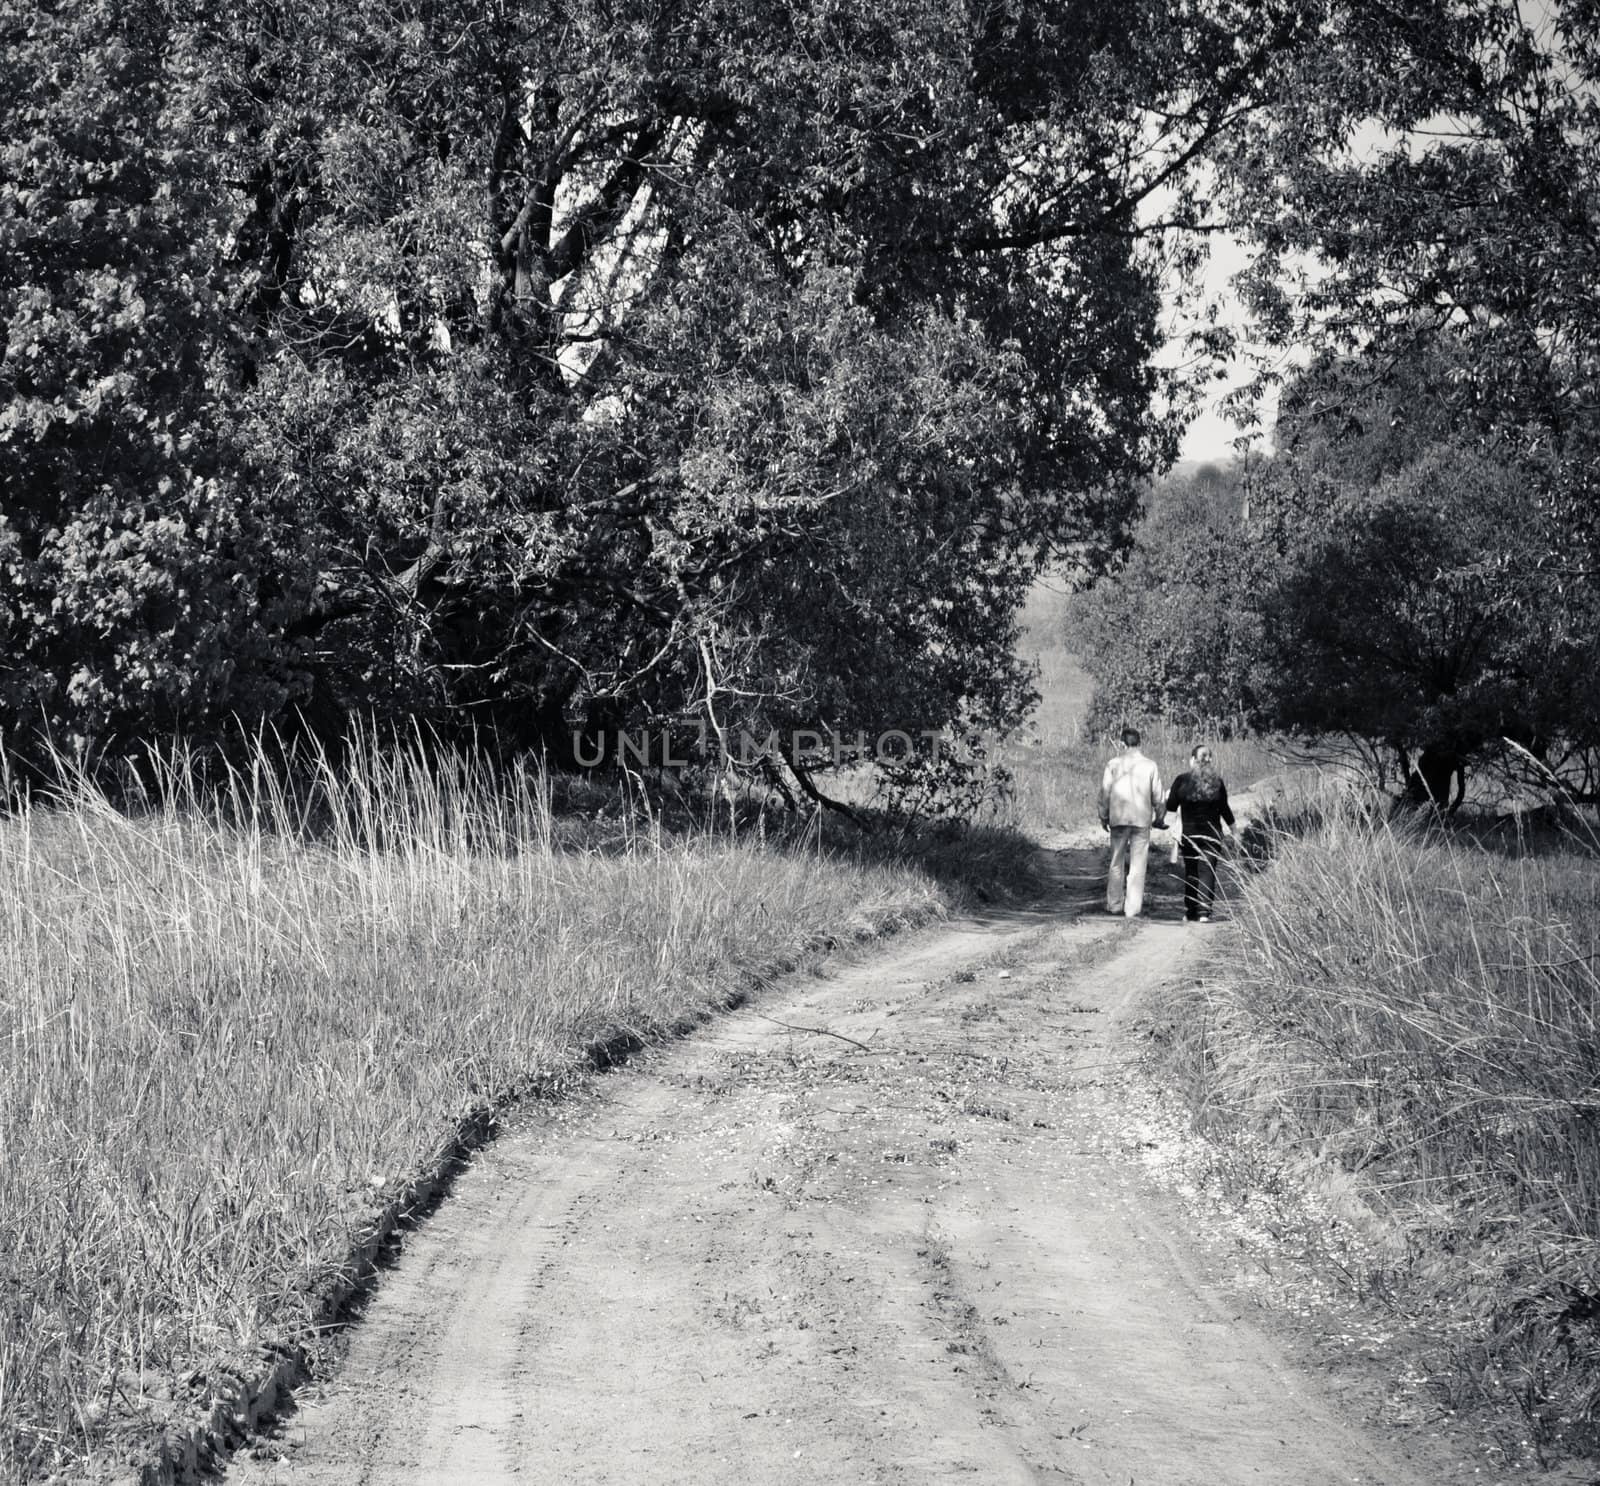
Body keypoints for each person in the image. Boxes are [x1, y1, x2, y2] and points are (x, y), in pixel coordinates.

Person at [1098, 726, 1165, 918]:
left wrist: (1103, 816)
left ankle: (1114, 904)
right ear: (1139, 743)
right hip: (1142, 819)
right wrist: (1159, 817)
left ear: (1121, 743)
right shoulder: (1150, 765)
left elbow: (1105, 793)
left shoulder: (1113, 764)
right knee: (1138, 864)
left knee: (1116, 861)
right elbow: (1158, 796)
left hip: (1118, 817)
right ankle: (1133, 908)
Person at [1164, 743, 1235, 922]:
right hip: (1212, 835)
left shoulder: (1182, 780)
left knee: (1191, 871)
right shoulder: (1217, 782)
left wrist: (1168, 817)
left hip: (1189, 835)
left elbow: (1171, 807)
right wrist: (1234, 829)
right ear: (1209, 761)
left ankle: (1191, 910)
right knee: (1207, 871)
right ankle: (1204, 912)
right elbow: (1224, 808)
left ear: (1193, 760)